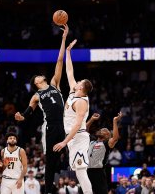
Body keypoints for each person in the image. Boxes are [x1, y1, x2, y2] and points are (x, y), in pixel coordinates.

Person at [14, 24, 69, 194]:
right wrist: (22, 117)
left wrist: (64, 38)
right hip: (51, 127)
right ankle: (47, 191)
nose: (40, 74)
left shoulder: (54, 84)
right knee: (50, 162)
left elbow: (60, 61)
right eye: (37, 76)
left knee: (74, 156)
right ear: (36, 82)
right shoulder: (36, 95)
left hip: (67, 124)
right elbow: (29, 111)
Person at [53, 39, 93, 194]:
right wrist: (68, 53)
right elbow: (69, 72)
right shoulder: (73, 92)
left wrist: (64, 142)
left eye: (80, 82)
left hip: (78, 137)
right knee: (78, 171)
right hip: (73, 138)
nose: (77, 81)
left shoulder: (82, 102)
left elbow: (77, 125)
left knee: (81, 172)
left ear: (82, 87)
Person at [85, 112, 122, 194]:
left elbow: (115, 138)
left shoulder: (106, 144)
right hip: (87, 171)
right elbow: (84, 130)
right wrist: (91, 119)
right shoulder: (92, 141)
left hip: (98, 173)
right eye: (101, 129)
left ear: (107, 136)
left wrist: (115, 121)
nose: (101, 130)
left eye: (105, 130)